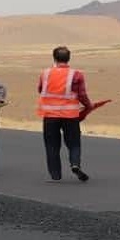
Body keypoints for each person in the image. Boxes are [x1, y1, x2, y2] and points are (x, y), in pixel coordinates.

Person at [38, 46, 92, 182]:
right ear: (69, 58)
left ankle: (55, 174)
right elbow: (82, 94)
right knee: (74, 143)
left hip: (50, 115)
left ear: (54, 58)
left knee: (51, 145)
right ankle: (75, 164)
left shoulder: (45, 73)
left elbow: (40, 89)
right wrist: (88, 106)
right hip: (70, 115)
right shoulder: (77, 74)